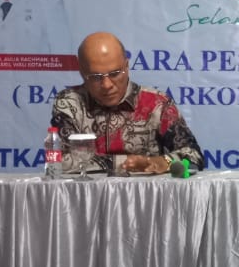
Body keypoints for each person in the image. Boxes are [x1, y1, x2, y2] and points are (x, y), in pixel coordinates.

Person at [50, 32, 204, 175]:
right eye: (96, 77)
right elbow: (59, 162)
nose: (107, 85)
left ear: (126, 66)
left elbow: (194, 156)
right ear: (82, 72)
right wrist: (126, 162)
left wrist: (162, 162)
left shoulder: (157, 104)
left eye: (115, 74)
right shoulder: (70, 103)